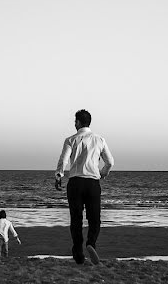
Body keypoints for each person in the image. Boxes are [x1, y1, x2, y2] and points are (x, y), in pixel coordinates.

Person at [55, 109, 114, 265]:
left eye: (75, 121)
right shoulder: (99, 139)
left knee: (76, 219)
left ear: (79, 122)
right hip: (92, 182)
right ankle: (91, 243)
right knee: (94, 218)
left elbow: (64, 160)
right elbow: (110, 162)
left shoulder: (70, 140)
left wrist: (59, 175)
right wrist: (103, 173)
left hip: (75, 183)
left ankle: (78, 253)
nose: (74, 123)